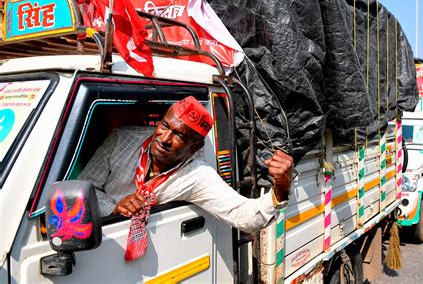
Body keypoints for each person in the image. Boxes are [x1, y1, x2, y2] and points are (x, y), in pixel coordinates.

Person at [78, 96, 293, 260]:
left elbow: (246, 217)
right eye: (164, 126)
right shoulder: (122, 138)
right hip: (102, 242)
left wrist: (280, 190)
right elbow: (85, 187)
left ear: (195, 147)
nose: (164, 139)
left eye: (179, 135)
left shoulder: (196, 175)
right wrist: (114, 208)